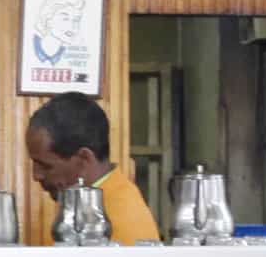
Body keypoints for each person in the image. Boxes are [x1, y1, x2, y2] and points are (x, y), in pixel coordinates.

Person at [23, 91, 163, 243]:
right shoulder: (83, 204)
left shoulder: (119, 222)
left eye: (45, 166)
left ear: (84, 159)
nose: (36, 175)